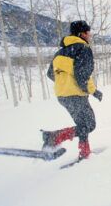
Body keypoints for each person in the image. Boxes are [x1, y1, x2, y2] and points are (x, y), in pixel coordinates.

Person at [43, 20, 103, 159]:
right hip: (75, 94)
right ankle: (55, 137)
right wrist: (93, 91)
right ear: (81, 34)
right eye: (88, 33)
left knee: (82, 124)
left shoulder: (60, 52)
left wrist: (65, 82)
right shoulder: (83, 49)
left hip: (62, 95)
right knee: (89, 124)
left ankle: (84, 152)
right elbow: (82, 76)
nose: (90, 35)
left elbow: (50, 74)